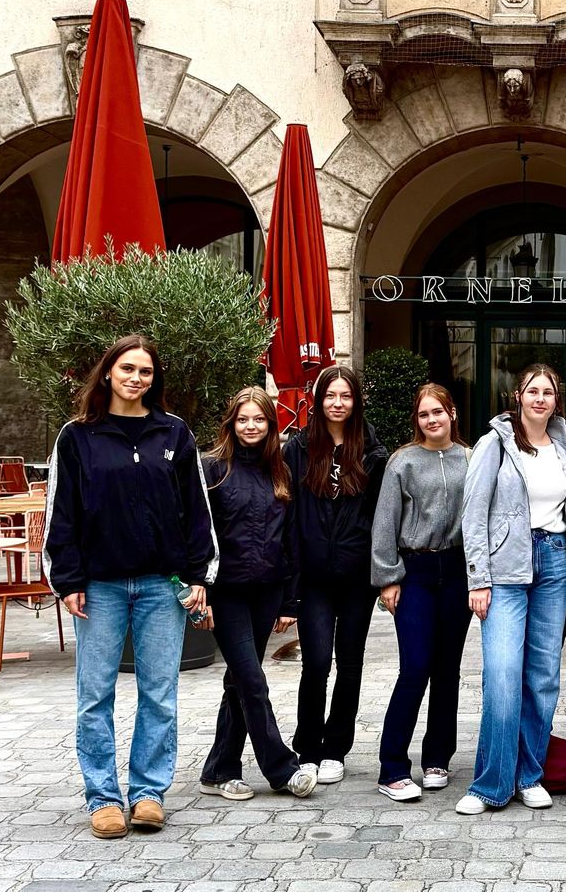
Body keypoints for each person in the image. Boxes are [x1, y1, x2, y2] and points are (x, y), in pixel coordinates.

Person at [44, 335, 218, 840]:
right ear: (108, 373)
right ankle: (102, 798)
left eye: (145, 371)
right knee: (94, 694)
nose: (136, 378)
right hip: (98, 587)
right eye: (127, 368)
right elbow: (63, 513)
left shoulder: (174, 433)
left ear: (153, 379)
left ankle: (147, 794)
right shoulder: (77, 436)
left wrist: (197, 576)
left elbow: (196, 513)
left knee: (159, 693)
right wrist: (67, 578)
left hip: (162, 586)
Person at [457, 364, 566, 814]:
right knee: (503, 676)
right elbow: (473, 514)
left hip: (552, 563)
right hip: (505, 568)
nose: (540, 399)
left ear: (557, 400)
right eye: (533, 390)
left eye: (549, 392)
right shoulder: (494, 443)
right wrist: (478, 579)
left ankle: (530, 775)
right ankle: (490, 784)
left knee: (543, 677)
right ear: (518, 395)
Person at [197, 387, 317, 801]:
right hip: (225, 592)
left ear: (271, 425)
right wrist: (199, 591)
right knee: (252, 679)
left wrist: (289, 600)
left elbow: (290, 540)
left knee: (239, 683)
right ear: (232, 422)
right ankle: (282, 768)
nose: (251, 426)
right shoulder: (212, 469)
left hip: (268, 590)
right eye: (243, 419)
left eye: (259, 420)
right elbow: (199, 533)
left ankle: (218, 770)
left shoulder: (280, 470)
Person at [369, 384, 474, 801]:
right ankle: (392, 767)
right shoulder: (402, 462)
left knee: (448, 670)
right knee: (415, 668)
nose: (432, 420)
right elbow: (384, 523)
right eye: (424, 414)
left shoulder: (471, 459)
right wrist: (388, 577)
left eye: (438, 412)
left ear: (452, 413)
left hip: (457, 569)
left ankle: (437, 759)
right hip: (414, 570)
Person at [287, 365, 390, 785]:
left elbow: (383, 518)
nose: (337, 403)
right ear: (318, 400)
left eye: (345, 396)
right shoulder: (297, 448)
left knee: (350, 664)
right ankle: (307, 747)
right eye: (330, 396)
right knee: (314, 663)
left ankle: (336, 749)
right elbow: (288, 511)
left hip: (355, 577)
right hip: (312, 576)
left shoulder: (372, 453)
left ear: (355, 401)